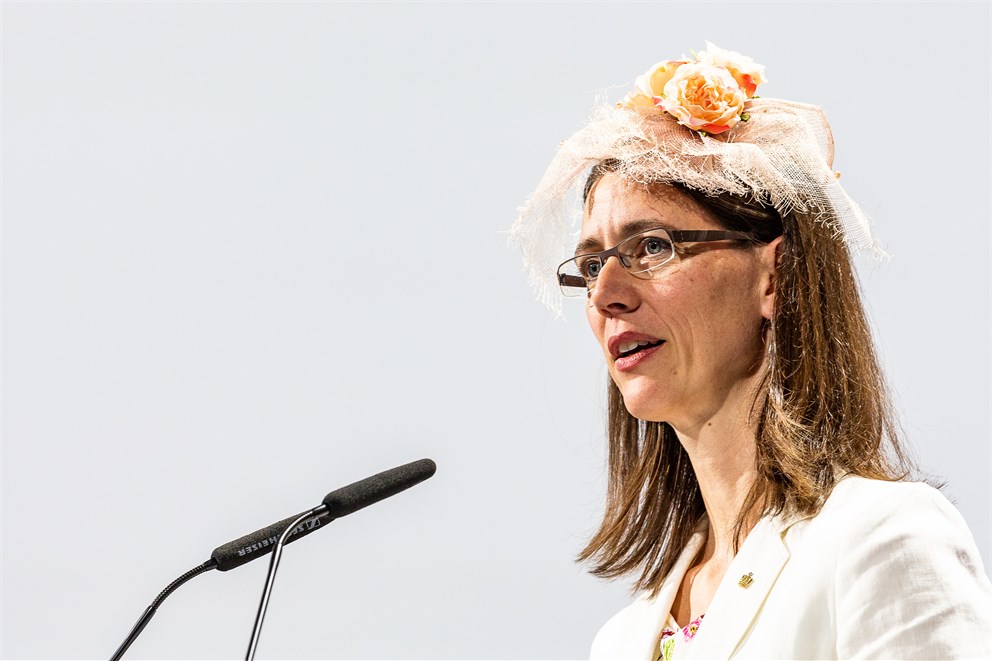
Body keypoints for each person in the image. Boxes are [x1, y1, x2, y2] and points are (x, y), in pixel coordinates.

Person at [510, 43, 992, 660]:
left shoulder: (883, 539)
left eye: (652, 247)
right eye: (589, 263)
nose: (605, 293)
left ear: (777, 276)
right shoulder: (622, 641)